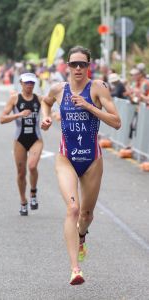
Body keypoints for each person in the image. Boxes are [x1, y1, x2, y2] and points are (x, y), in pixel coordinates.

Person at [41, 45, 121, 285]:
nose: (78, 68)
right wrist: (45, 117)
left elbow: (116, 122)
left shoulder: (98, 88)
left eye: (82, 64)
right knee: (72, 209)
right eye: (74, 64)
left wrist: (88, 106)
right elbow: (45, 102)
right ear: (67, 66)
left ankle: (82, 235)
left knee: (86, 215)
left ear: (89, 66)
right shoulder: (58, 89)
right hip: (66, 157)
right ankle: (75, 269)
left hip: (92, 160)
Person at [0, 73, 43, 216]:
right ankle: (23, 201)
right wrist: (18, 115)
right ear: (21, 83)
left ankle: (33, 192)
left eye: (32, 83)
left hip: (36, 138)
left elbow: (51, 107)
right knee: (21, 173)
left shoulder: (39, 99)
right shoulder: (15, 99)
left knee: (32, 166)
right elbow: (2, 119)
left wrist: (51, 117)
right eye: (27, 83)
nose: (29, 85)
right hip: (19, 139)